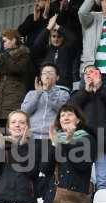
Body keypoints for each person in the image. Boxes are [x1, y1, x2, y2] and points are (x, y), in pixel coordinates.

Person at [70, 65, 106, 189]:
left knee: (102, 182)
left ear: (100, 75)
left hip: (103, 142)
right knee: (83, 184)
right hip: (83, 142)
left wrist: (100, 88)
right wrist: (85, 92)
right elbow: (70, 110)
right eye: (86, 73)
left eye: (93, 72)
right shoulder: (78, 94)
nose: (89, 74)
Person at [21, 63, 69, 193]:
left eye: (50, 73)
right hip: (33, 138)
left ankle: (46, 199)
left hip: (51, 138)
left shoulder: (63, 94)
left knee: (48, 172)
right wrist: (38, 94)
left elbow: (61, 110)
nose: (47, 76)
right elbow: (24, 112)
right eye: (44, 73)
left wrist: (50, 93)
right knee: (30, 172)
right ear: (40, 77)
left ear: (57, 77)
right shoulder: (31, 93)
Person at [0, 29, 33, 128]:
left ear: (14, 40)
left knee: (10, 129)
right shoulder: (2, 56)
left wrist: (5, 55)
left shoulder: (24, 55)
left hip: (14, 96)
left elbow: (16, 69)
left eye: (5, 41)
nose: (3, 43)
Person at [32, 15, 77, 91]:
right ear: (50, 37)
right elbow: (37, 45)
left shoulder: (68, 49)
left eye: (59, 37)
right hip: (46, 87)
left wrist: (57, 26)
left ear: (63, 38)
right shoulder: (46, 50)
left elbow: (73, 39)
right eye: (53, 36)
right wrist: (49, 27)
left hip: (63, 87)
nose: (56, 39)